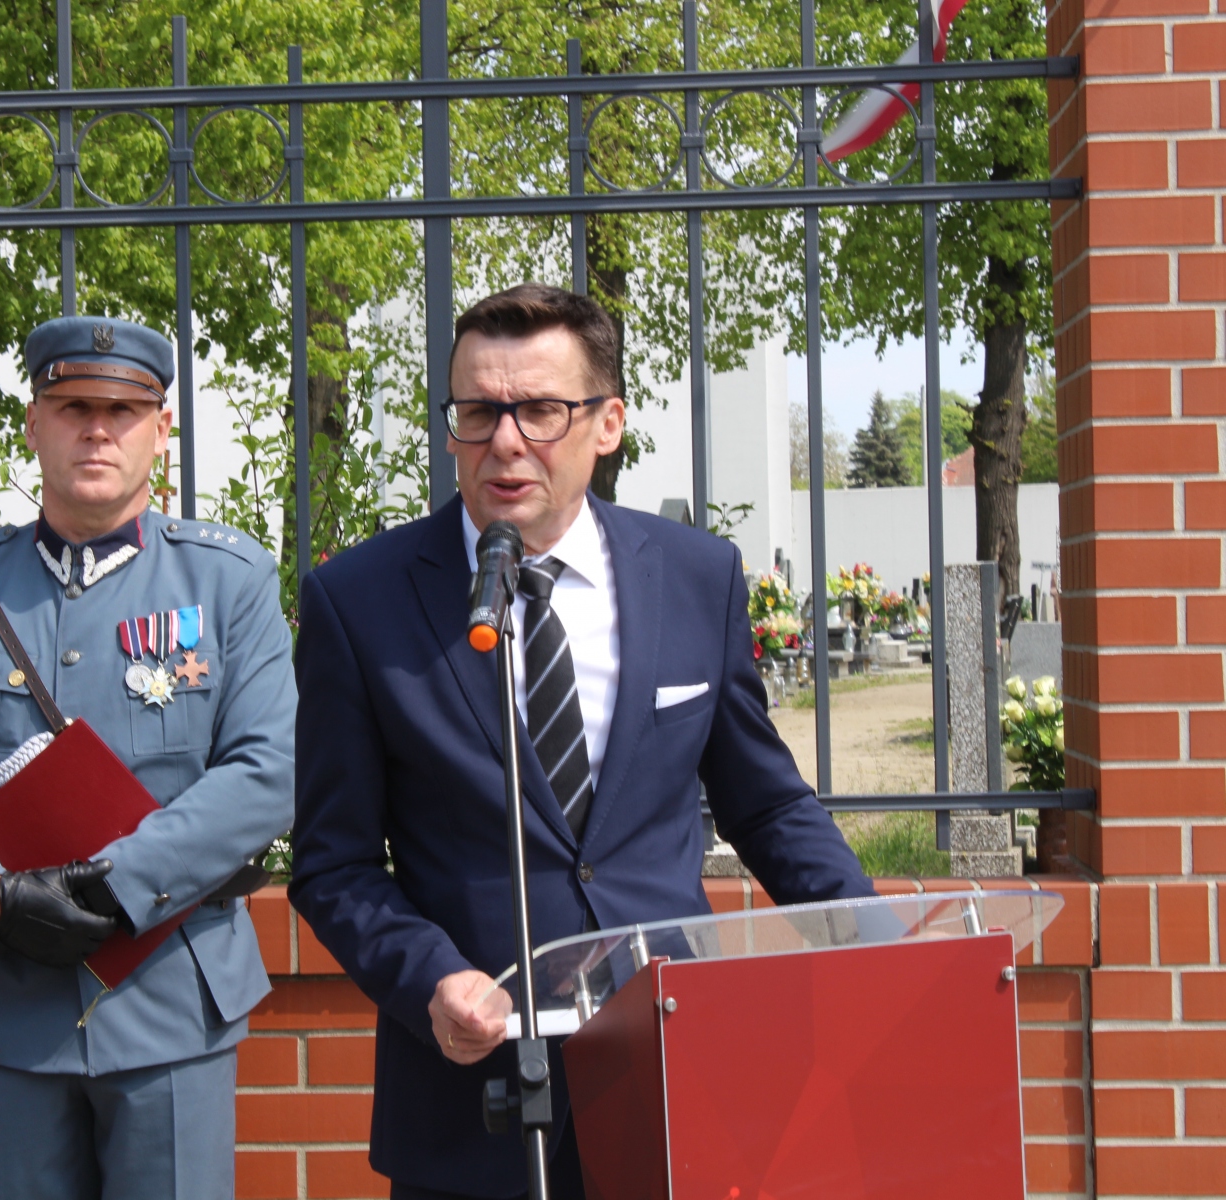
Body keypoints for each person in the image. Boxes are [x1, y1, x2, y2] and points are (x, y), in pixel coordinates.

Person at [287, 284, 873, 1199]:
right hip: (470, 1102)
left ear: (608, 425)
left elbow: (765, 805)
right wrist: (433, 980)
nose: (505, 441)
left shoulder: (696, 576)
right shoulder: (359, 601)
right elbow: (334, 865)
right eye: (477, 411)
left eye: (540, 411)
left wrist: (876, 943)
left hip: (671, 1074)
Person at [0, 316, 296, 1200]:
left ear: (162, 430)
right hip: (10, 1004)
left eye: (123, 411)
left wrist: (112, 887)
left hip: (171, 997)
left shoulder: (229, 582)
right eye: (74, 408)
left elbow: (267, 772)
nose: (98, 431)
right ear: (34, 423)